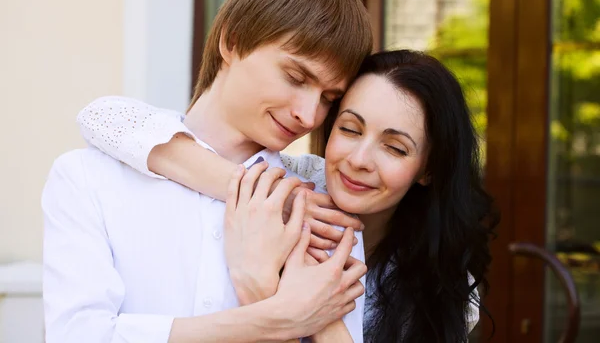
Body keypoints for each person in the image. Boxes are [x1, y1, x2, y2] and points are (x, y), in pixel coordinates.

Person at [42, 0, 373, 343]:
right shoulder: (87, 179)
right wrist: (278, 319)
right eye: (295, 77)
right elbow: (78, 336)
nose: (308, 114)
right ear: (231, 41)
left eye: (329, 98)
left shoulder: (321, 210)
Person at [78, 50, 499, 342]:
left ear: (427, 168)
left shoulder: (442, 284)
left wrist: (276, 294)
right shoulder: (297, 182)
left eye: (394, 147)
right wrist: (259, 192)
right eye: (350, 129)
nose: (359, 160)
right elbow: (103, 118)